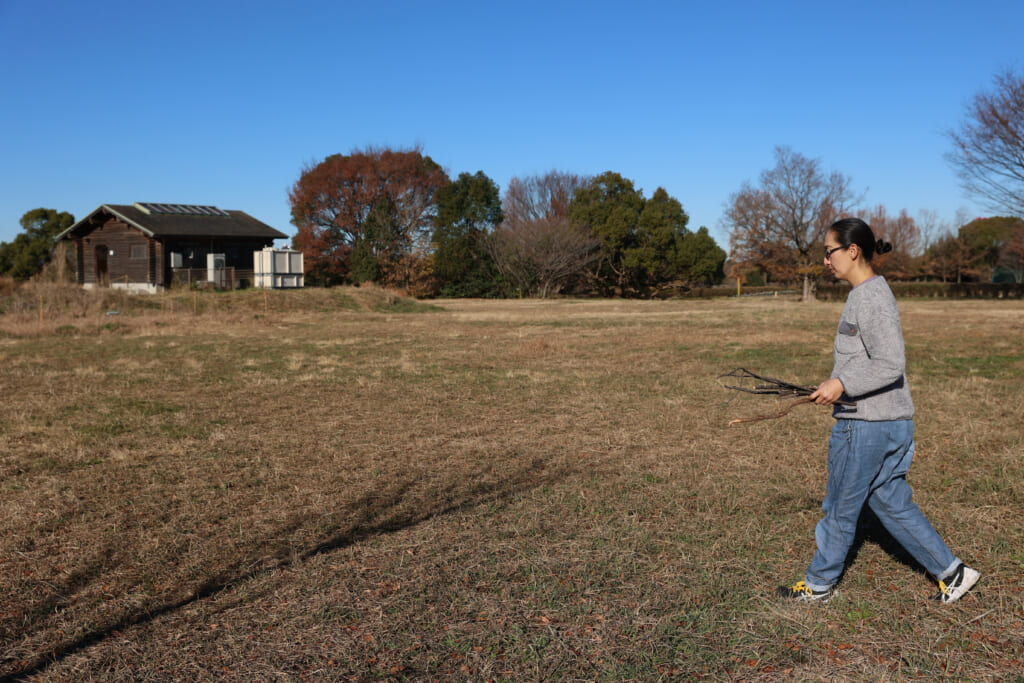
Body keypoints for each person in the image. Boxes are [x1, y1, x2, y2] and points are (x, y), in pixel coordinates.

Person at [776, 217, 980, 604]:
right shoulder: (867, 294)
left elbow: (890, 362)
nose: (825, 260)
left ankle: (818, 585)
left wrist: (841, 384)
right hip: (886, 422)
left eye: (829, 251)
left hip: (868, 426)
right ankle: (953, 573)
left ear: (852, 251)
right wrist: (836, 383)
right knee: (888, 500)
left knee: (839, 504)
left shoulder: (870, 297)